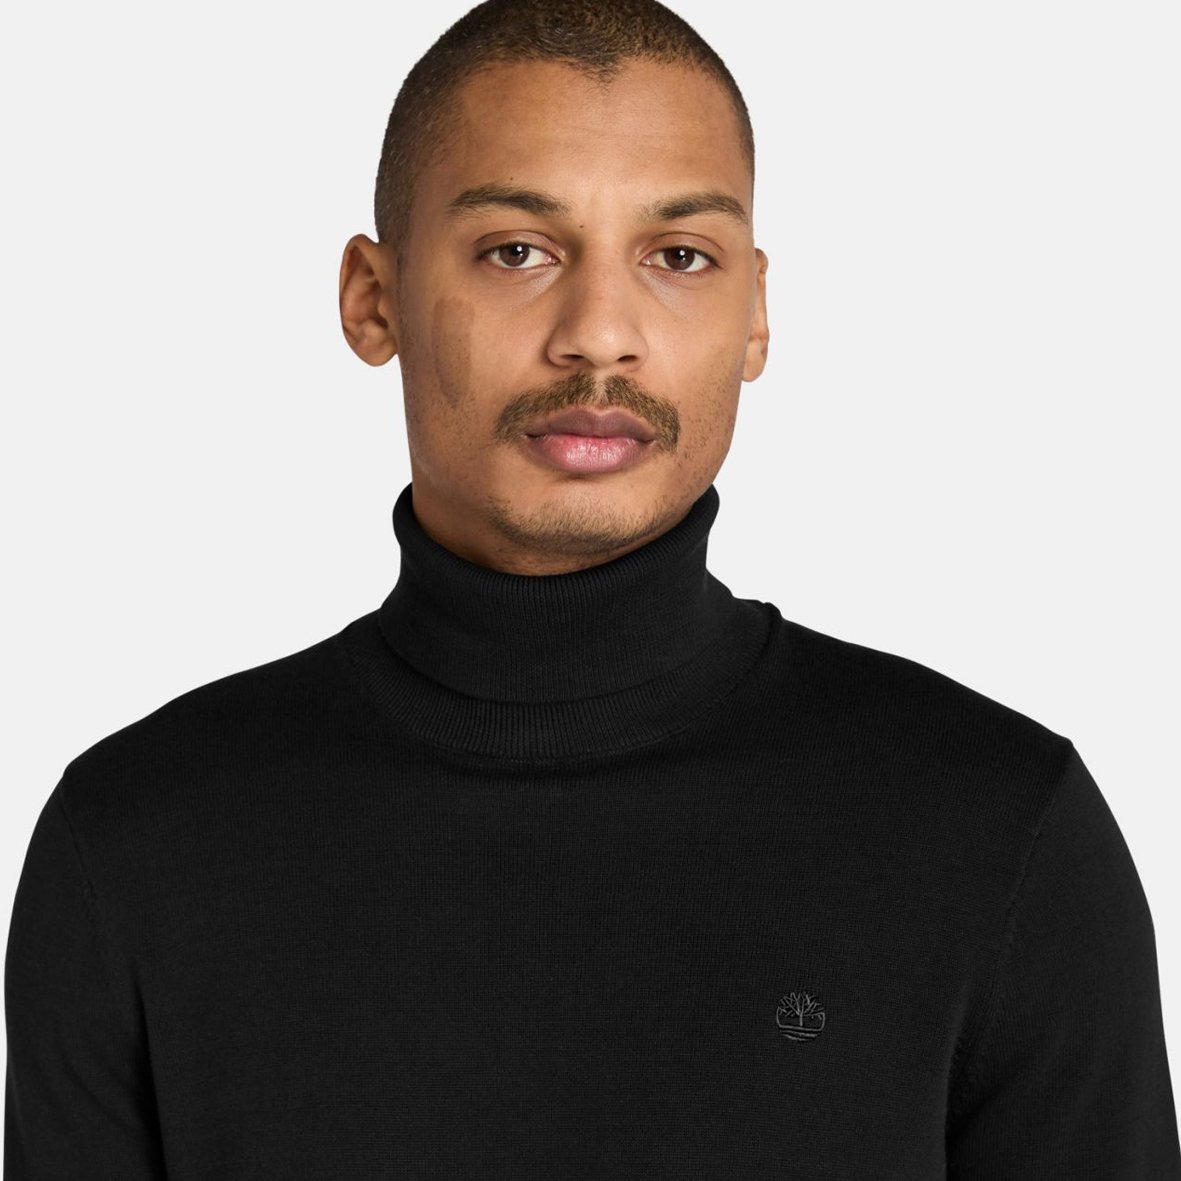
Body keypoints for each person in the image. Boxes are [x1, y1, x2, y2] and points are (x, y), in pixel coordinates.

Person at [5, 0, 1178, 1175]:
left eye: (679, 257)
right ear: (373, 297)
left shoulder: (997, 831)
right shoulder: (138, 844)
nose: (600, 335)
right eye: (517, 250)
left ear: (754, 312)